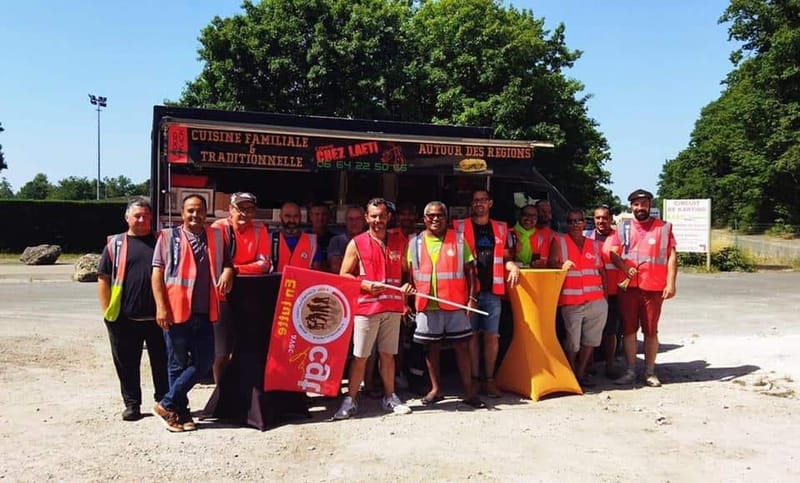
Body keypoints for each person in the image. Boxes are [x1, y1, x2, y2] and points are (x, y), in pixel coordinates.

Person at [151, 194, 234, 432]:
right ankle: (180, 413)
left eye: (199, 210)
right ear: (182, 213)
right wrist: (161, 307)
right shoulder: (167, 237)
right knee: (176, 364)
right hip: (175, 312)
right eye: (190, 211)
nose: (194, 215)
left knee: (204, 361)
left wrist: (228, 272)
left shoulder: (217, 236)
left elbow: (227, 263)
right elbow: (157, 274)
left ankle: (166, 403)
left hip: (205, 312)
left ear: (206, 212)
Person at [334, 198, 414, 419]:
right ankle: (350, 400)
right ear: (367, 218)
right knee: (360, 356)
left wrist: (408, 285)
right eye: (374, 216)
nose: (378, 220)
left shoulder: (400, 241)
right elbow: (343, 275)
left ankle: (390, 397)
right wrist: (365, 285)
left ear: (389, 217)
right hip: (367, 308)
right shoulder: (357, 243)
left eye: (382, 215)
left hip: (392, 307)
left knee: (388, 355)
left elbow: (407, 271)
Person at [405, 201, 484, 409]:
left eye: (439, 215)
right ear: (424, 219)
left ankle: (469, 391)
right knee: (432, 348)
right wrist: (408, 302)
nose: (435, 219)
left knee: (461, 347)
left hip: (455, 303)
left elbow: (470, 272)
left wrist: (471, 298)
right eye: (431, 216)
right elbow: (409, 275)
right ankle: (436, 388)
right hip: (426, 304)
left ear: (446, 218)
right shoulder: (414, 242)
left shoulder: (458, 240)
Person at [97, 197, 168, 421]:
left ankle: (164, 401)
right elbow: (104, 278)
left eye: (146, 216)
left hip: (159, 317)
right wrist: (108, 312)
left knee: (163, 362)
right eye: (137, 215)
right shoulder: (115, 245)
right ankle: (132, 404)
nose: (142, 219)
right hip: (124, 319)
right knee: (126, 364)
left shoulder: (162, 241)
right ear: (127, 218)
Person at [453, 190, 519, 398]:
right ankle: (473, 380)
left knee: (492, 337)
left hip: (492, 292)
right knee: (470, 337)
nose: (479, 204)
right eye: (475, 200)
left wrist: (513, 266)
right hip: (468, 291)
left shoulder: (501, 227)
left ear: (490, 203)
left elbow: (506, 256)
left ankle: (489, 380)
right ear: (471, 204)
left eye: (483, 200)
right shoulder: (459, 226)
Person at [609, 189, 678, 387]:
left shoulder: (663, 227)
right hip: (628, 287)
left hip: (653, 287)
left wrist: (671, 282)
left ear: (650, 205)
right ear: (631, 206)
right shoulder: (623, 227)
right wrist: (624, 267)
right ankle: (630, 370)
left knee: (651, 330)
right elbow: (613, 253)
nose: (640, 208)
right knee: (629, 330)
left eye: (644, 204)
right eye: (636, 204)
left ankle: (649, 371)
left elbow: (672, 256)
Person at [210, 192, 271, 383]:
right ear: (230, 210)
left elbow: (264, 265)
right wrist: (235, 269)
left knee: (244, 349)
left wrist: (234, 269)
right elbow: (216, 264)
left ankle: (241, 392)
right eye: (240, 208)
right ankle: (221, 393)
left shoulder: (260, 230)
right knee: (221, 352)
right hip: (222, 297)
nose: (245, 213)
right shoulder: (218, 229)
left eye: (250, 209)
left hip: (248, 297)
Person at [548, 208, 607, 387]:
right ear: (567, 224)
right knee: (572, 342)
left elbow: (601, 271)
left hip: (596, 300)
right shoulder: (559, 241)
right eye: (571, 221)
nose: (575, 224)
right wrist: (561, 264)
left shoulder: (596, 245)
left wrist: (604, 296)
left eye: (578, 221)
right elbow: (550, 263)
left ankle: (580, 373)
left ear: (584, 222)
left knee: (591, 340)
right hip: (571, 301)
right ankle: (571, 373)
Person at [586, 205, 624, 378]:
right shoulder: (586, 237)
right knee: (590, 329)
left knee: (610, 330)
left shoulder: (619, 238)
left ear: (611, 219)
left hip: (613, 291)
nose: (601, 221)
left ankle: (610, 365)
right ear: (593, 219)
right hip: (591, 289)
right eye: (598, 218)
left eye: (604, 218)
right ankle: (589, 364)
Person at [388, 201, 419, 390]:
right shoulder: (390, 237)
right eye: (403, 214)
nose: (406, 218)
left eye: (410, 214)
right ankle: (395, 375)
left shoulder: (421, 237)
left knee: (417, 340)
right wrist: (403, 303)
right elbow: (400, 274)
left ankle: (415, 377)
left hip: (420, 296)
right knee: (397, 339)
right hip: (397, 295)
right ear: (397, 217)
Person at [271, 201, 322, 272]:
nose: (292, 220)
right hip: (276, 282)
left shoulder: (312, 242)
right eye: (288, 216)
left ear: (301, 217)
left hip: (304, 282)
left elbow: (317, 271)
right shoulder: (270, 239)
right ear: (280, 217)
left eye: (296, 216)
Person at [327, 205, 366, 274]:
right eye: (350, 219)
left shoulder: (372, 240)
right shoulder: (337, 241)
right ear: (345, 221)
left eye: (358, 219)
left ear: (365, 221)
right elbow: (336, 268)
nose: (354, 223)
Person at [309, 202, 337, 272]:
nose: (320, 218)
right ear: (310, 217)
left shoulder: (335, 240)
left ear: (329, 217)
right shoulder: (303, 238)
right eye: (317, 214)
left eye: (324, 214)